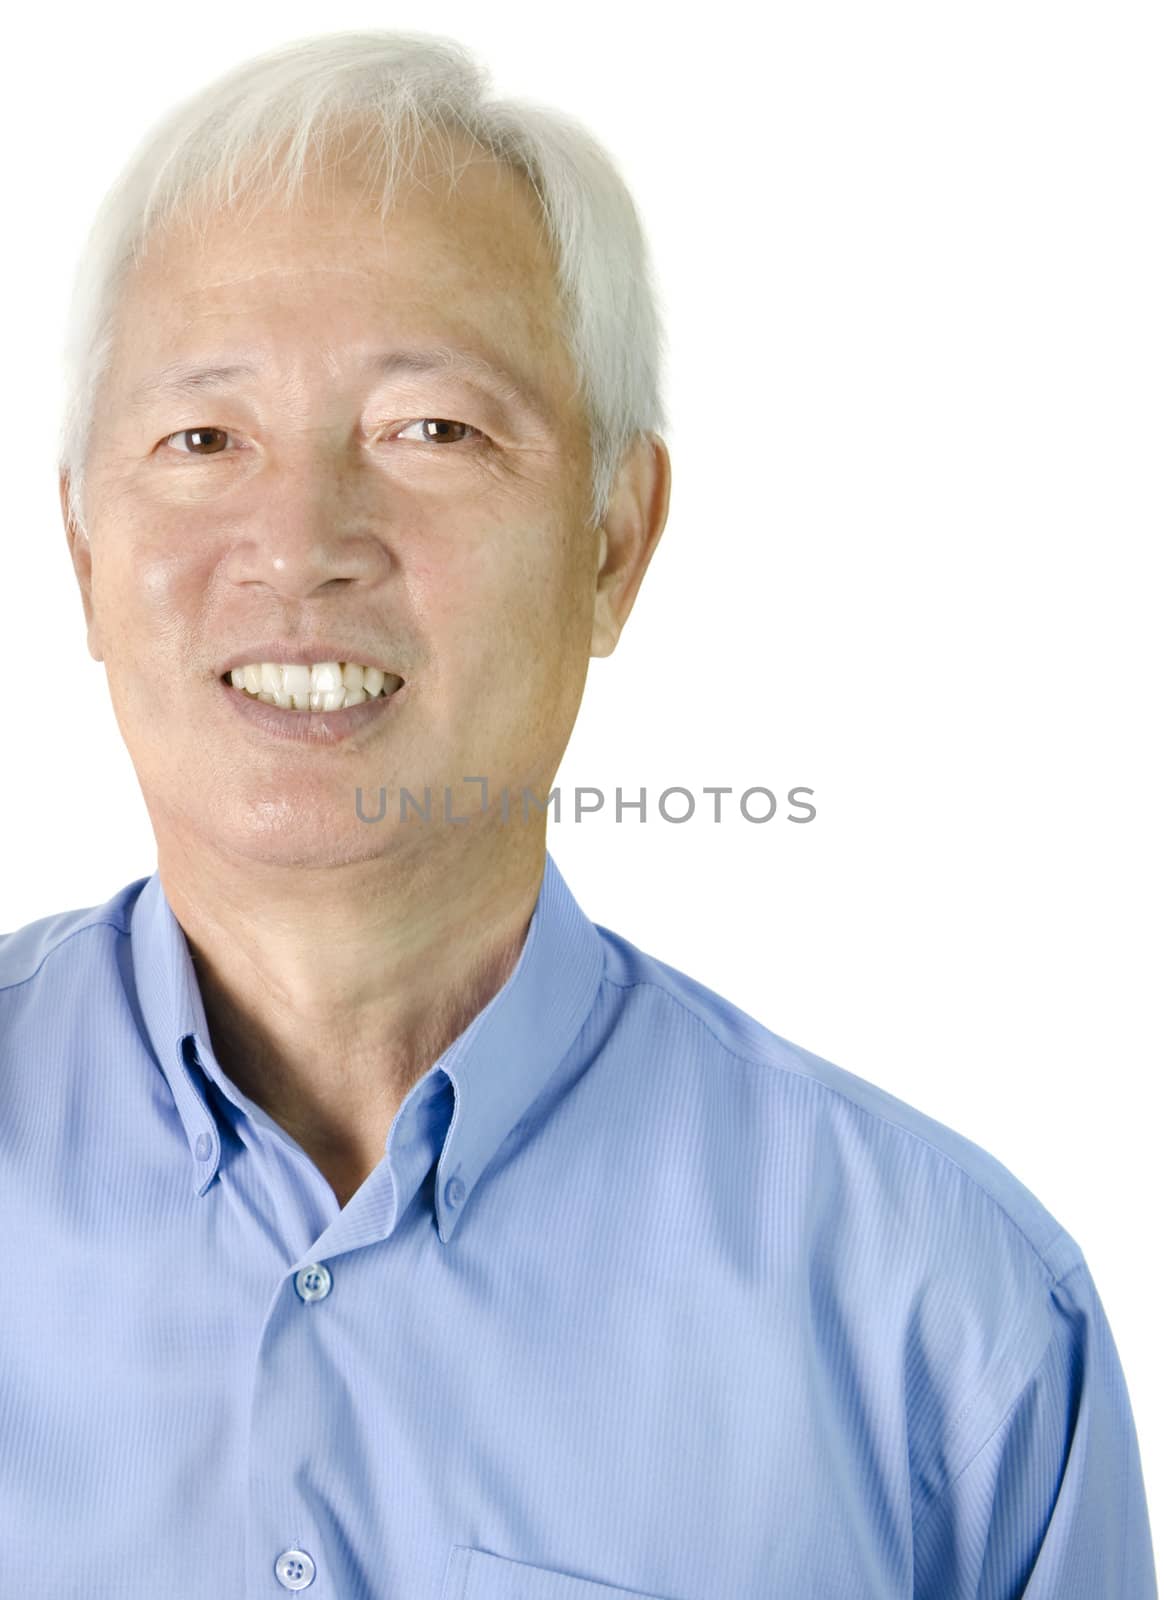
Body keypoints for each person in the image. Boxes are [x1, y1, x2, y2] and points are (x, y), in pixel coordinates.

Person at [0, 27, 1155, 1600]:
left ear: (616, 542)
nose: (300, 542)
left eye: (433, 431)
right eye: (202, 439)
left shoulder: (948, 1326)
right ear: (82, 547)